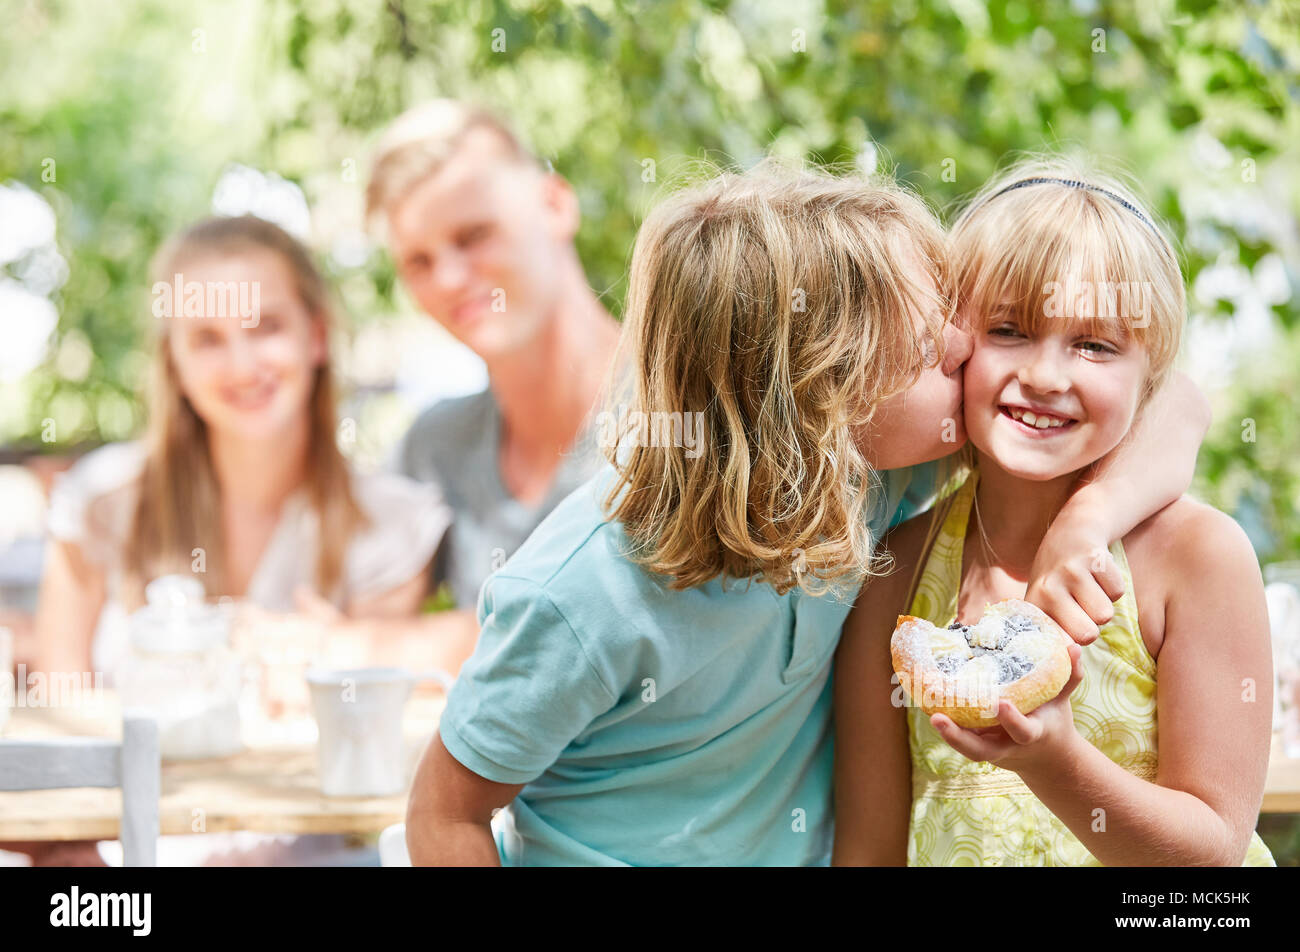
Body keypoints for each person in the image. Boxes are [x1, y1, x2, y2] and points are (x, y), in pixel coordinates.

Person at [404, 159, 1210, 866]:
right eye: (935, 349)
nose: (970, 358)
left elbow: (1177, 400)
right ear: (828, 394)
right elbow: (443, 814)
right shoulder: (584, 592)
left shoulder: (867, 480)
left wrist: (1087, 519)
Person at [832, 158, 1275, 866]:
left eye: (1096, 346)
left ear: (1150, 375)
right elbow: (867, 850)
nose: (1044, 376)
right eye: (1008, 330)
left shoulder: (1197, 557)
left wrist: (1053, 761)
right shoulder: (895, 573)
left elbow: (1215, 856)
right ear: (954, 344)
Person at [25, 214, 449, 866]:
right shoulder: (101, 504)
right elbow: (56, 748)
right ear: (175, 358)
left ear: (316, 334)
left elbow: (369, 769)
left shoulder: (387, 525)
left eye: (265, 327)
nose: (243, 364)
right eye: (209, 338)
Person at [351, 100, 621, 675]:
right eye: (419, 262)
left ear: (555, 205)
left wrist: (365, 646)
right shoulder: (434, 446)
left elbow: (596, 634)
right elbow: (360, 619)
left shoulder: (685, 411)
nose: (448, 279)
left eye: (473, 236)